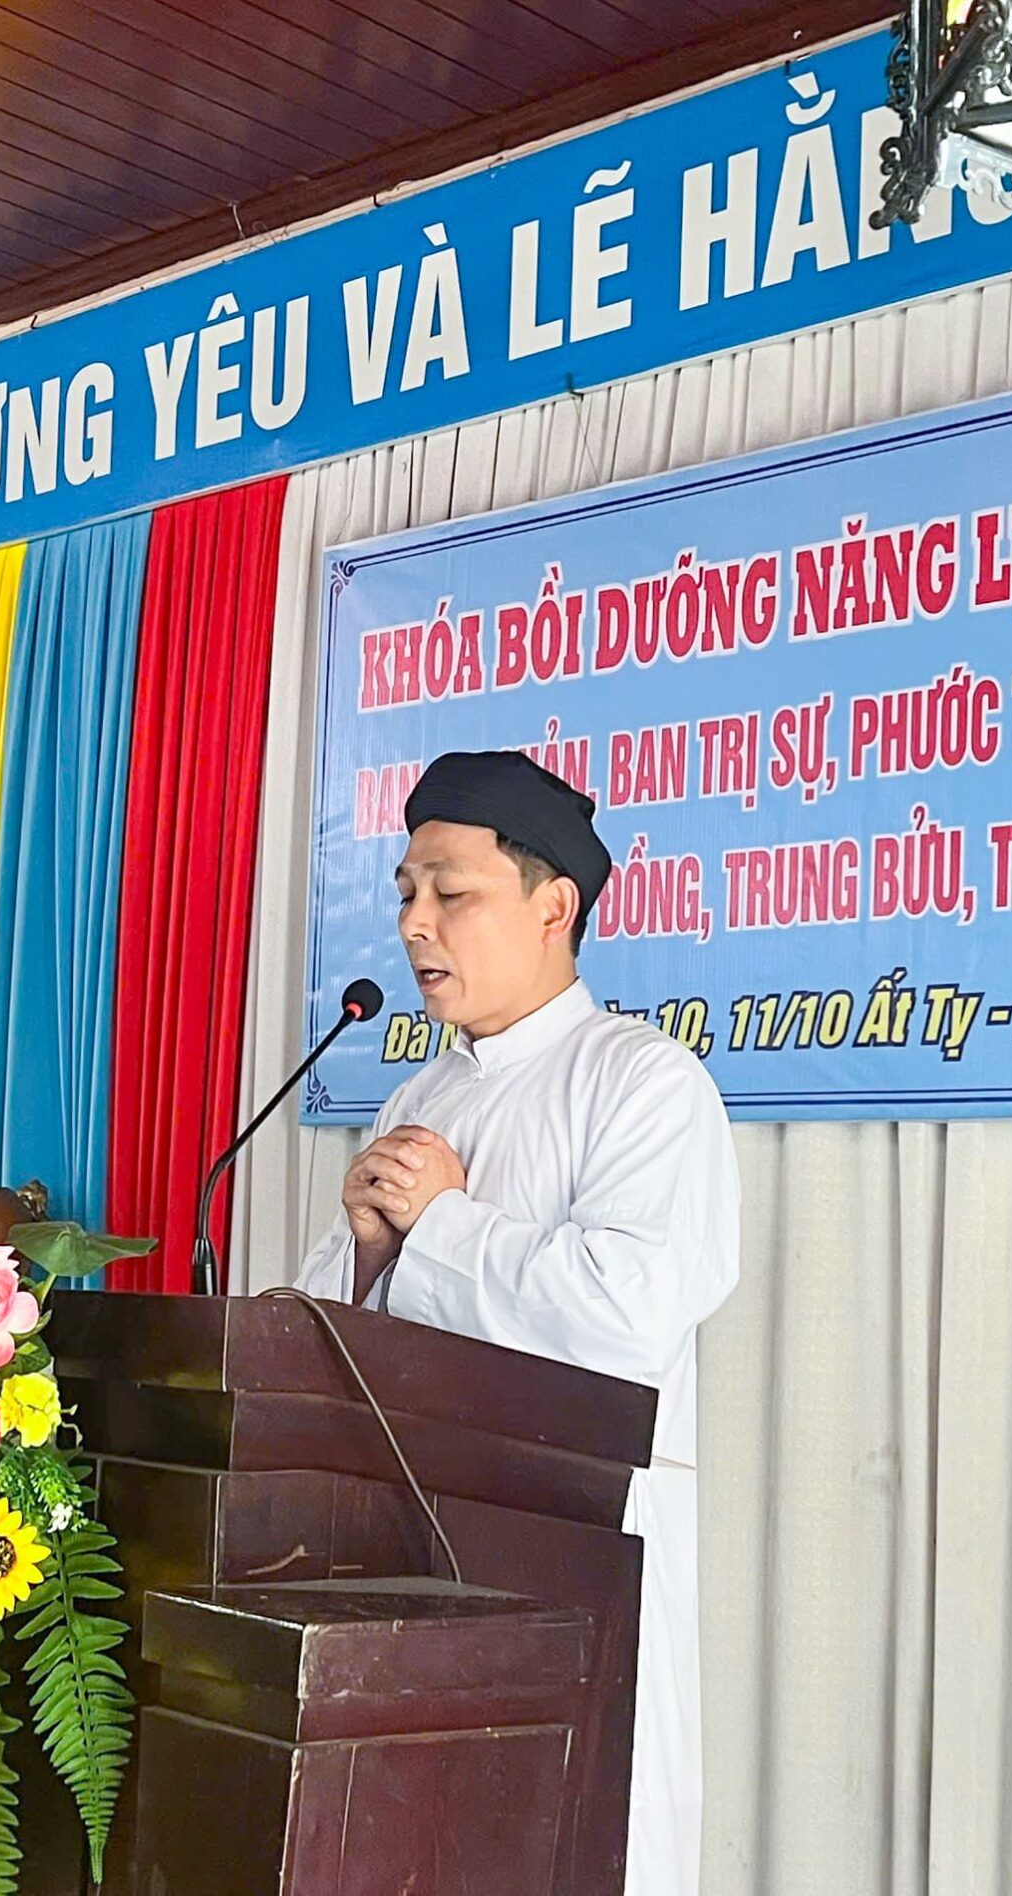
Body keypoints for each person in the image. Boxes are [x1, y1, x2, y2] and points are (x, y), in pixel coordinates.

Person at [291, 748, 741, 1896]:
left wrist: (439, 1225)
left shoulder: (643, 1083)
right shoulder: (418, 1097)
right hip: (407, 1546)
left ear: (553, 907)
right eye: (405, 892)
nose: (414, 924)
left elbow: (626, 1320)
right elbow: (323, 1338)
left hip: (572, 1553)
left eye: (451, 892)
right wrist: (370, 1256)